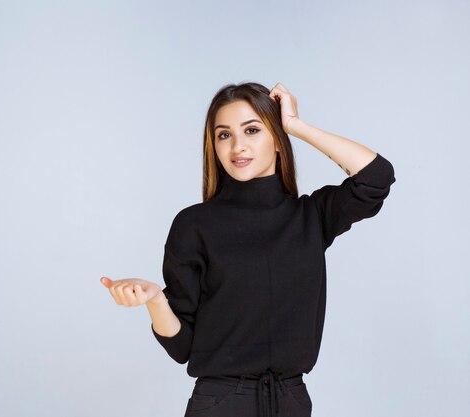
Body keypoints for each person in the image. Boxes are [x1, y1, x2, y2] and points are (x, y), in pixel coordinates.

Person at [100, 82, 396, 417]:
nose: (237, 146)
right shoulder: (194, 225)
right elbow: (183, 347)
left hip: (291, 400)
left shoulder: (310, 217)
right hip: (221, 402)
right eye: (224, 135)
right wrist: (155, 300)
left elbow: (376, 177)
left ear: (277, 140)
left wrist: (296, 127)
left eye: (252, 130)